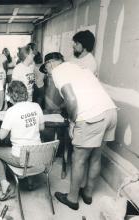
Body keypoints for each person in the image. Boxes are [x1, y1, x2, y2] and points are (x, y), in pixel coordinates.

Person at [39, 52, 117, 210]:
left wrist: (73, 122)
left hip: (91, 117)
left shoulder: (58, 71)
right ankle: (87, 194)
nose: (48, 74)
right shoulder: (79, 67)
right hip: (110, 112)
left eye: (46, 70)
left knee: (79, 159)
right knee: (96, 157)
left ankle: (72, 199)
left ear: (50, 64)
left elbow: (72, 99)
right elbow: (83, 94)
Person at [0, 80, 45, 201]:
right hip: (38, 155)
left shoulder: (11, 111)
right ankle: (30, 181)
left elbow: (2, 135)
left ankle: (4, 185)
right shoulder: (36, 106)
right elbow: (41, 127)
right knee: (27, 144)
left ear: (11, 96)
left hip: (21, 158)